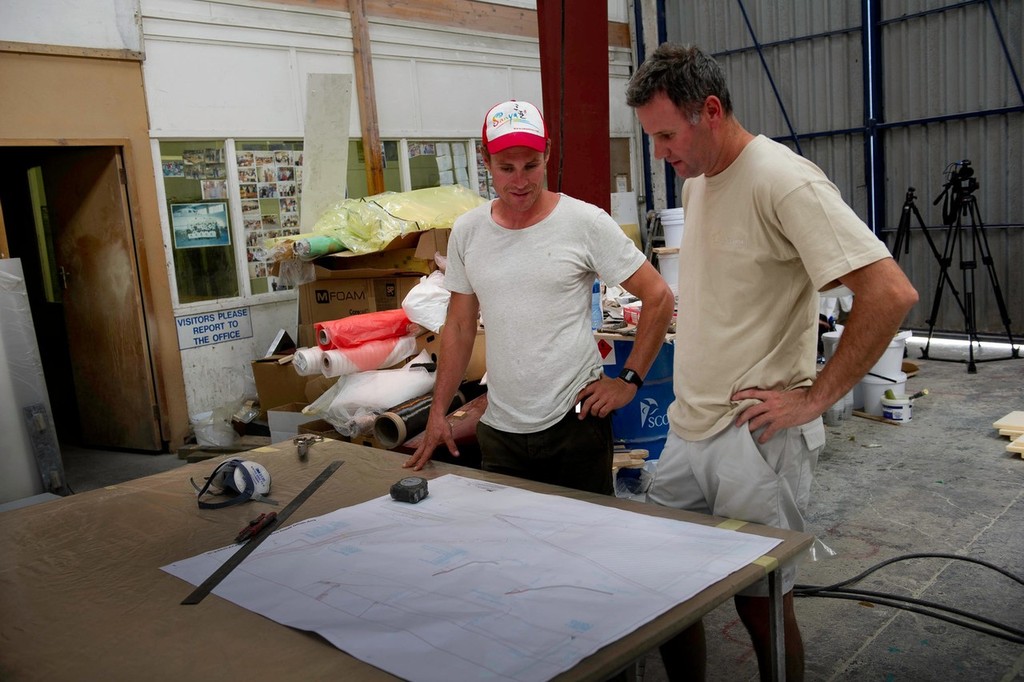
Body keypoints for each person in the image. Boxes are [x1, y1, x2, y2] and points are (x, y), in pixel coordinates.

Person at [625, 44, 918, 680]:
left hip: (754, 437)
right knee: (671, 592)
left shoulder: (783, 179)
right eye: (652, 137)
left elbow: (890, 293)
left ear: (709, 111)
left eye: (667, 135)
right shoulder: (701, 180)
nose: (660, 153)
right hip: (689, 424)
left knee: (759, 604)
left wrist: (816, 397)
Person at [404, 99, 675, 496]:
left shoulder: (584, 223)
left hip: (576, 425)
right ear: (486, 161)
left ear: (547, 152)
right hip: (501, 432)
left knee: (585, 545)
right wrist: (438, 412)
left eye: (531, 165)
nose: (520, 181)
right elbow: (460, 327)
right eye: (506, 168)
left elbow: (659, 295)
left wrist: (629, 381)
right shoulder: (468, 232)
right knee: (512, 546)